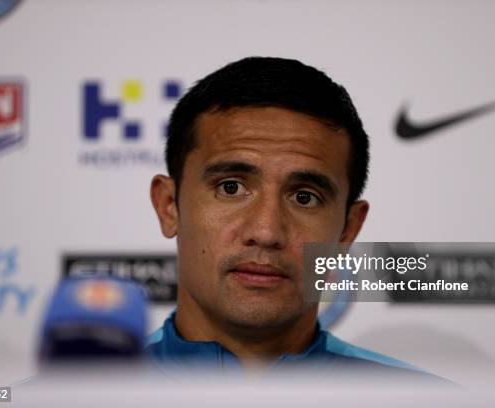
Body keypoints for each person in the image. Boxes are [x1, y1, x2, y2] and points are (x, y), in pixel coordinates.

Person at [147, 56, 439, 380]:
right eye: (230, 188)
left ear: (347, 229)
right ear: (169, 205)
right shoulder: (85, 393)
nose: (266, 231)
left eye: (305, 197)